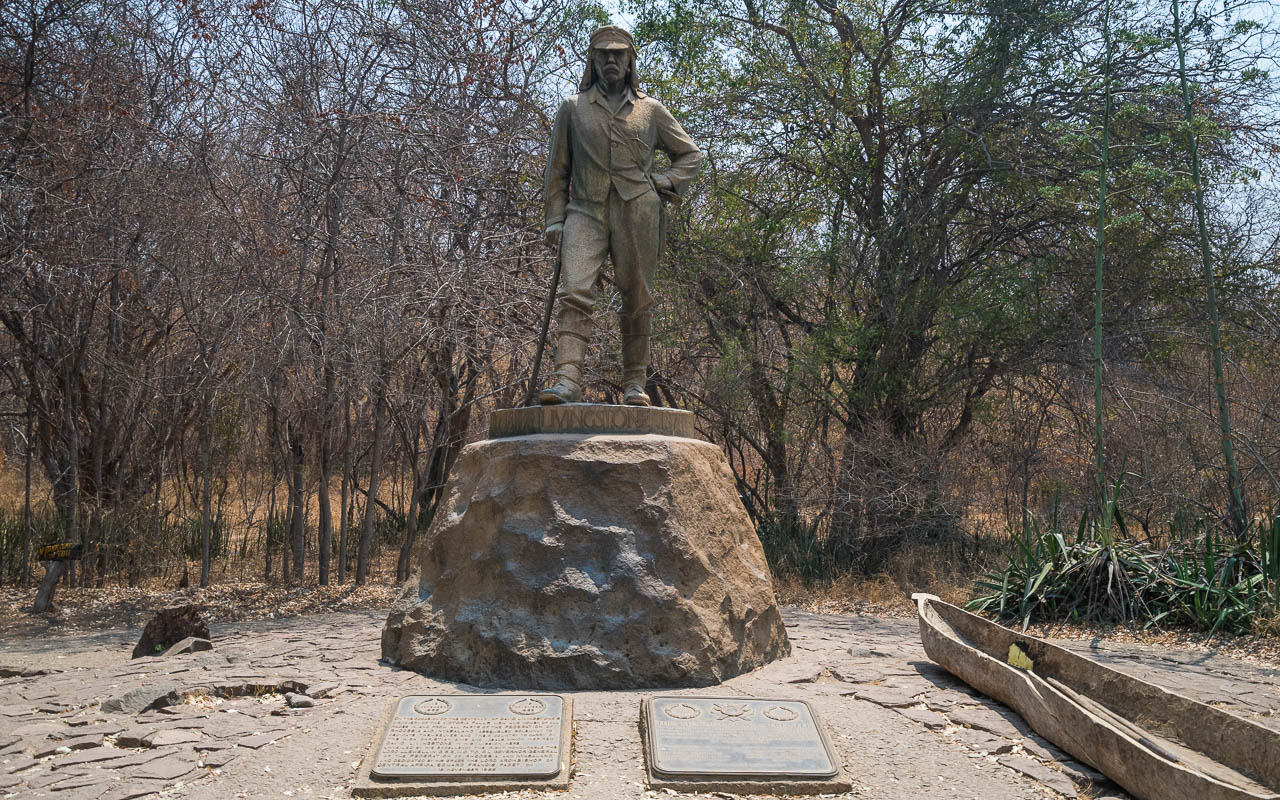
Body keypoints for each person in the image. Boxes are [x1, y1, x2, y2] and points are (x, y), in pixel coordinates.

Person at [539, 25, 701, 406]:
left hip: (637, 212)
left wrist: (662, 182)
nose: (611, 59)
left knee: (638, 297)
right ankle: (567, 380)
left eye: (618, 53)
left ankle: (634, 384)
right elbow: (557, 171)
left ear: (630, 61)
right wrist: (555, 218)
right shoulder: (572, 108)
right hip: (585, 211)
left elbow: (690, 155)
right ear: (593, 60)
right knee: (575, 291)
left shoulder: (650, 110)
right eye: (603, 53)